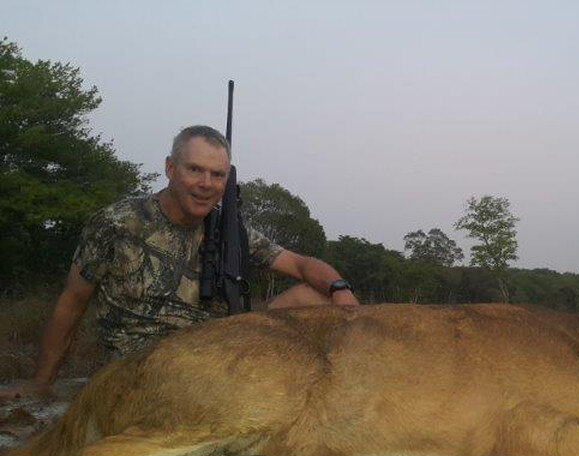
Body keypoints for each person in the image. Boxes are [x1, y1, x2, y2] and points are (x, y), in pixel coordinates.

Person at [0, 125, 358, 401]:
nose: (206, 184)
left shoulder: (230, 230)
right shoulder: (116, 222)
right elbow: (72, 301)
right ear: (170, 168)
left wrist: (341, 292)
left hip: (219, 351)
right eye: (195, 170)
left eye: (217, 175)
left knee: (315, 297)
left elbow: (301, 264)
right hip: (146, 366)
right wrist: (40, 383)